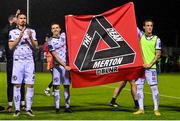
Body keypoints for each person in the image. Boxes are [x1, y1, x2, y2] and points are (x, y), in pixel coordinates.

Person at [8, 12, 38, 117]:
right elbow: (11, 47)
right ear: (17, 19)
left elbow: (36, 47)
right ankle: (17, 109)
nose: (23, 20)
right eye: (21, 18)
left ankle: (29, 109)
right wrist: (19, 37)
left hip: (29, 62)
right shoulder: (13, 32)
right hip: (18, 62)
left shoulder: (32, 31)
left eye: (24, 18)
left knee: (30, 85)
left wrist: (30, 39)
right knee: (17, 85)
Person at [133, 19, 161, 116]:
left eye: (151, 25)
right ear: (144, 27)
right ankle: (141, 109)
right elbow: (132, 24)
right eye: (147, 25)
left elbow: (158, 54)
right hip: (140, 68)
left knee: (154, 89)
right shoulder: (140, 36)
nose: (149, 27)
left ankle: (156, 109)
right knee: (139, 89)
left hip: (151, 68)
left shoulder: (156, 39)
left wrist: (150, 64)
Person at [1, 9, 25, 113]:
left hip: (20, 60)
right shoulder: (7, 30)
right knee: (10, 83)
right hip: (11, 61)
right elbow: (6, 32)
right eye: (17, 19)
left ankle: (22, 104)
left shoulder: (19, 30)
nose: (19, 21)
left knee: (22, 82)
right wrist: (14, 17)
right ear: (12, 21)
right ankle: (10, 105)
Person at [48, 23, 72, 113]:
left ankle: (67, 107)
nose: (55, 29)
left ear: (60, 29)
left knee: (66, 86)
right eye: (53, 28)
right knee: (56, 87)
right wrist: (64, 65)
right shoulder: (50, 41)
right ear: (51, 30)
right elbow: (55, 56)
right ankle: (57, 108)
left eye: (57, 28)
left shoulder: (64, 36)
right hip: (57, 67)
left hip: (66, 66)